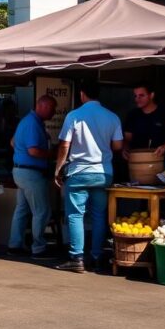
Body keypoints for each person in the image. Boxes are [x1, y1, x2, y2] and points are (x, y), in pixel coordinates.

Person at [54, 81, 123, 273]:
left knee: (76, 215)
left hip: (79, 173)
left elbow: (64, 145)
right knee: (99, 215)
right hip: (103, 173)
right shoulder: (112, 117)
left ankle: (77, 258)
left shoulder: (74, 116)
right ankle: (97, 256)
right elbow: (118, 146)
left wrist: (58, 169)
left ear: (82, 94)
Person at [7, 95, 57, 260]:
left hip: (20, 171)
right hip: (31, 173)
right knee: (42, 210)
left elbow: (13, 142)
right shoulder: (32, 123)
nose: (54, 112)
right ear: (42, 106)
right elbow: (33, 151)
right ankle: (39, 248)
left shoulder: (27, 121)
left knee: (22, 210)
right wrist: (52, 154)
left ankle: (15, 245)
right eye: (52, 108)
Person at [122, 82, 165, 166]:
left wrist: (164, 147)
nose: (137, 99)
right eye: (135, 96)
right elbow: (127, 138)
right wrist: (125, 148)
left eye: (141, 95)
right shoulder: (132, 115)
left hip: (163, 161)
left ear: (151, 95)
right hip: (138, 162)